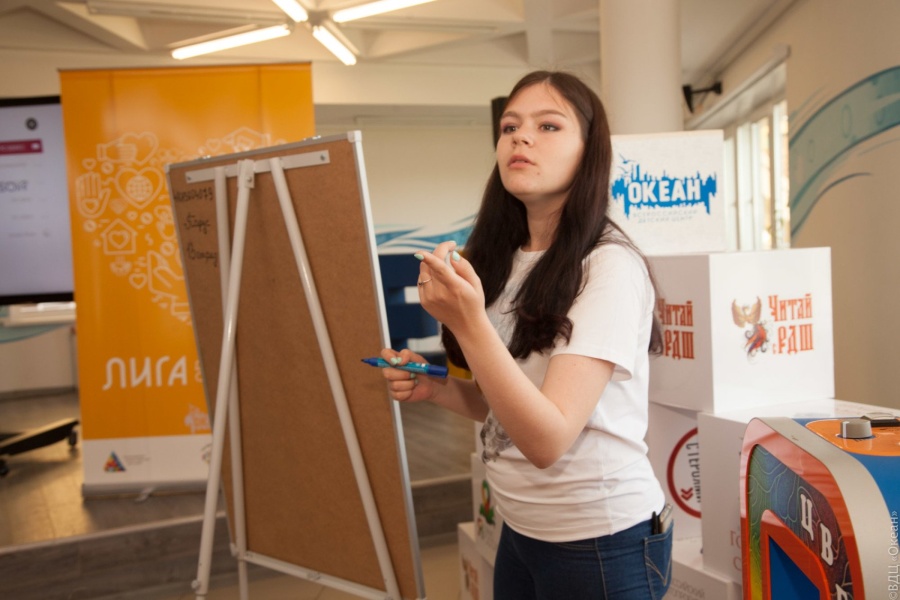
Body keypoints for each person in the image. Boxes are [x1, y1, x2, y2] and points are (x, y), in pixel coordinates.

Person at [380, 70, 672, 599]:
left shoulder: (608, 267)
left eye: (548, 126)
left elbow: (546, 440)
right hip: (521, 529)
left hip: (601, 541)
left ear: (589, 151)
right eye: (510, 127)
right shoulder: (504, 259)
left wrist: (467, 321)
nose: (521, 138)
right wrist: (437, 388)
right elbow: (508, 409)